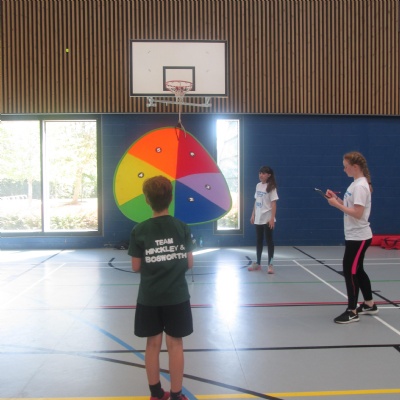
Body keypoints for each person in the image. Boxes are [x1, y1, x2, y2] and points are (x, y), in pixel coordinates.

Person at [128, 176, 194, 400]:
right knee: (175, 345)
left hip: (150, 298)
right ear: (171, 198)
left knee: (152, 344)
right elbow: (189, 262)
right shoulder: (182, 227)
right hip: (177, 296)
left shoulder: (139, 230)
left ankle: (156, 393)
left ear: (147, 200)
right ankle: (176, 395)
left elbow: (136, 266)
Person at [326, 151, 378, 324]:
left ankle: (352, 311)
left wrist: (337, 206)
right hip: (353, 235)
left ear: (355, 167)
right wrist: (336, 200)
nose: (344, 169)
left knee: (350, 271)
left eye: (345, 166)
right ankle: (369, 304)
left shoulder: (361, 186)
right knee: (358, 269)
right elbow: (351, 207)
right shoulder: (354, 184)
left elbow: (357, 213)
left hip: (359, 237)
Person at [248, 166, 279, 274]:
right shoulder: (258, 186)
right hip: (258, 217)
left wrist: (272, 218)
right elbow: (256, 201)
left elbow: (274, 203)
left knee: (269, 241)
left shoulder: (271, 187)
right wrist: (253, 214)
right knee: (259, 240)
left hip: (267, 218)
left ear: (269, 175)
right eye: (260, 173)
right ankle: (258, 263)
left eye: (263, 173)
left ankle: (270, 264)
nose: (261, 175)